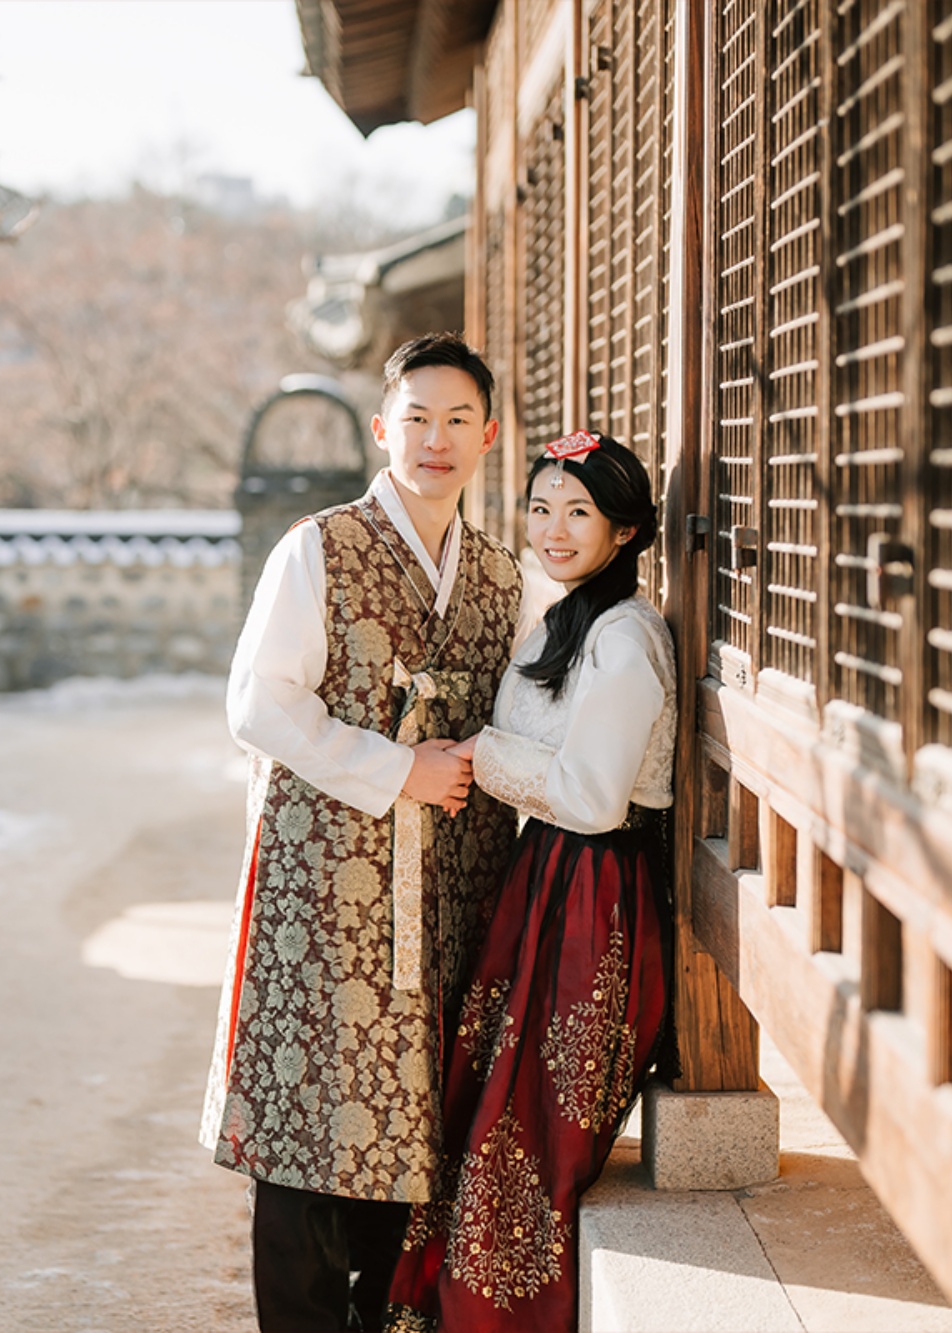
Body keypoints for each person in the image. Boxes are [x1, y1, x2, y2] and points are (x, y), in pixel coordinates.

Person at [202, 332, 524, 1332]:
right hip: (326, 882)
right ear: (383, 429)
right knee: (310, 1127)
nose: (436, 439)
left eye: (457, 420)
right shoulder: (319, 546)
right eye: (417, 419)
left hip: (452, 882)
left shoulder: (503, 580)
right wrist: (395, 771)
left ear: (488, 436)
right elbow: (257, 703)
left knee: (416, 1122)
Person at [383, 431, 675, 1333]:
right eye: (542, 507)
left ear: (624, 530)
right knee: (488, 1105)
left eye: (579, 512)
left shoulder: (626, 638)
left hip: (594, 896)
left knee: (534, 1135)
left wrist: (483, 755)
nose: (553, 529)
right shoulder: (567, 617)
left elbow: (592, 796)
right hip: (544, 880)